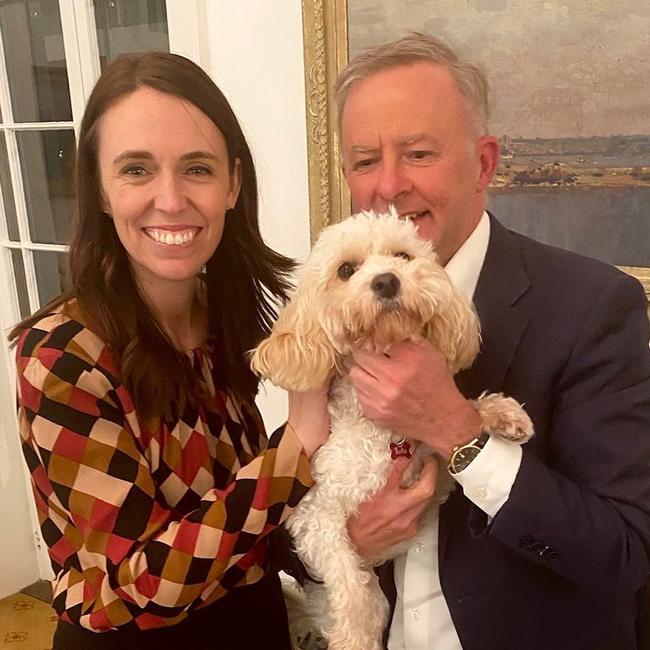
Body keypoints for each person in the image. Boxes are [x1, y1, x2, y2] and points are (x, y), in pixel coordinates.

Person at [334, 32, 650, 650]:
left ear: (484, 162)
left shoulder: (593, 305)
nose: (388, 185)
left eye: (419, 153)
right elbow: (293, 525)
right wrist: (353, 542)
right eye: (365, 160)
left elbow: (625, 555)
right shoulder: (338, 305)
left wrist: (457, 430)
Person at [10, 52, 328, 650]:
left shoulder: (223, 315)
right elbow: (142, 583)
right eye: (136, 169)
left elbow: (241, 513)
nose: (171, 199)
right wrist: (301, 443)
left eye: (197, 169)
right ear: (101, 192)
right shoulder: (61, 355)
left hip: (255, 624)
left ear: (233, 183)